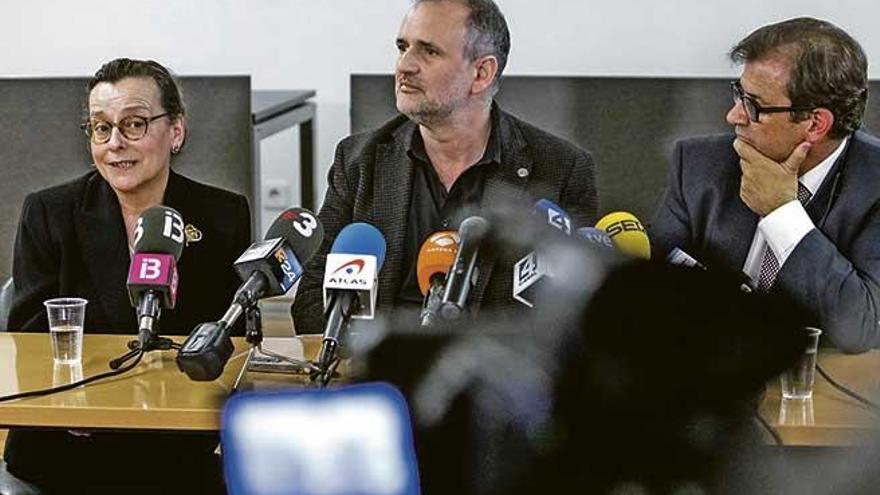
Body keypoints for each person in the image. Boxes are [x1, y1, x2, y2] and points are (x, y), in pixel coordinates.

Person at [3, 58, 251, 493]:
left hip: (176, 446)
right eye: (101, 128)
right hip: (67, 449)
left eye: (134, 124)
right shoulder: (49, 213)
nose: (116, 142)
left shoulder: (222, 216)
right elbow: (31, 340)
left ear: (175, 131)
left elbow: (229, 339)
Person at [292, 0, 597, 334]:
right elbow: (311, 301)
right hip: (376, 365)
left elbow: (571, 313)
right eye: (402, 47)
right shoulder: (359, 160)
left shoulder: (560, 168)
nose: (404, 65)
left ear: (481, 73)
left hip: (487, 372)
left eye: (429, 52)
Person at [651, 18, 880, 353]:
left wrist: (783, 212)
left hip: (814, 393)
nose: (733, 116)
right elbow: (651, 289)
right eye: (738, 94)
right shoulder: (699, 165)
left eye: (753, 105)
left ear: (815, 124)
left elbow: (860, 328)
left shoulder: (875, 184)